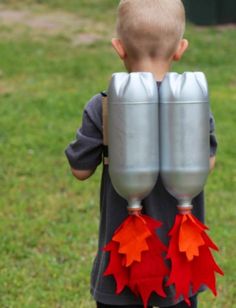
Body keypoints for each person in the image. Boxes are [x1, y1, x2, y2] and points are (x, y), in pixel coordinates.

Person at [65, 0, 217, 307]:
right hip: (180, 261)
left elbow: (80, 170)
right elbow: (208, 165)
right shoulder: (193, 101)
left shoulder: (104, 105)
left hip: (123, 265)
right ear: (180, 48)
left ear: (119, 47)